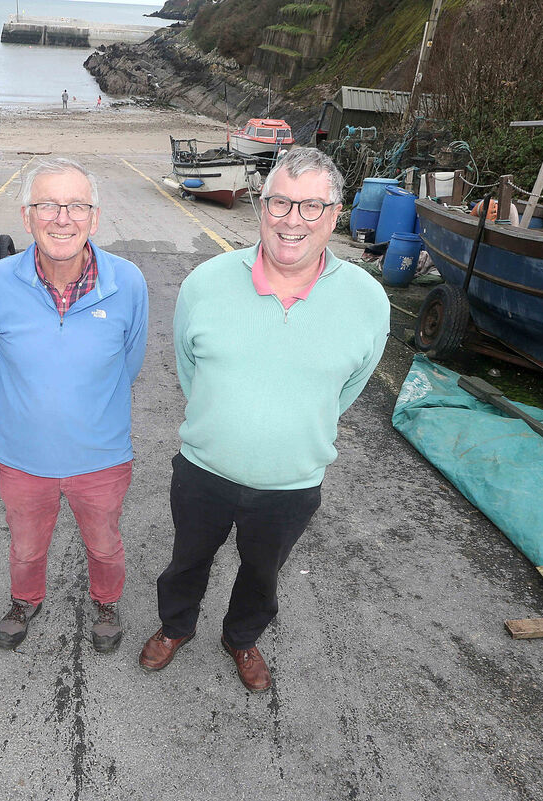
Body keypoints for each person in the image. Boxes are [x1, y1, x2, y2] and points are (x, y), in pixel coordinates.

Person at [138, 148, 389, 691]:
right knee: (186, 561)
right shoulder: (205, 282)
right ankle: (175, 626)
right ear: (261, 205)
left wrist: (289, 425)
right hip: (204, 470)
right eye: (280, 202)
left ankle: (241, 638)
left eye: (310, 207)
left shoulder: (368, 300)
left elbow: (348, 387)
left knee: (262, 573)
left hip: (292, 483)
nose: (291, 220)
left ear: (336, 213)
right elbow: (190, 369)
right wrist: (227, 422)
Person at [0, 158, 148, 654]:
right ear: (27, 217)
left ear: (94, 218)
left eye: (76, 206)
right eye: (47, 205)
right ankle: (25, 600)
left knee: (105, 544)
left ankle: (106, 601)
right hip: (23, 458)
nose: (62, 218)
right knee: (25, 548)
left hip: (103, 458)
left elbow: (127, 364)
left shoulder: (129, 282)